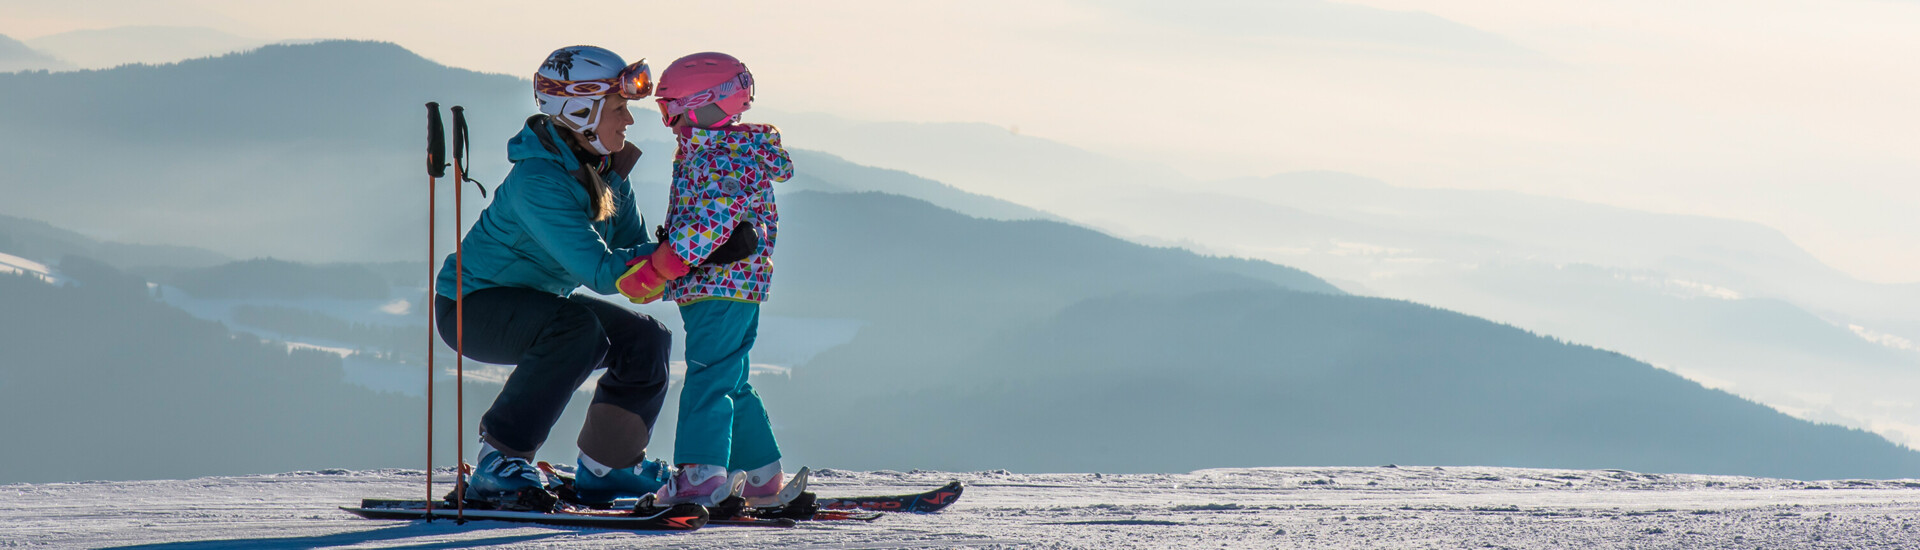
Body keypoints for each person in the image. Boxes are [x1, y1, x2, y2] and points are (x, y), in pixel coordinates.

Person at [434, 45, 689, 510]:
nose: (628, 121)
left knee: (646, 340)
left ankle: (606, 467)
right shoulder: (539, 182)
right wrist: (681, 255)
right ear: (580, 111)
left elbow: (632, 252)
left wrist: (698, 258)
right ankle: (499, 461)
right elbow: (601, 270)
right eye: (619, 108)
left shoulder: (608, 173)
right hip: (472, 306)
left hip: (537, 301)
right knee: (577, 330)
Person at [641, 52, 800, 507]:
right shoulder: (722, 149)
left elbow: (710, 221)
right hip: (730, 286)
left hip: (720, 285)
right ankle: (759, 473)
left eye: (671, 108)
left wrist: (664, 264)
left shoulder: (722, 155)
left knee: (709, 374)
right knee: (730, 377)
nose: (668, 120)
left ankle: (701, 473)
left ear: (704, 104)